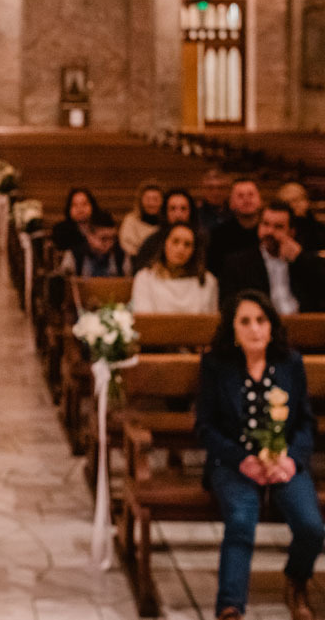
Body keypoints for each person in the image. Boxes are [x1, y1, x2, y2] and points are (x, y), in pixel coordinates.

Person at [195, 290, 323, 620]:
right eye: (245, 322)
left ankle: (296, 581)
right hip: (234, 462)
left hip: (283, 462)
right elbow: (205, 427)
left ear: (271, 325)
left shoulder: (290, 363)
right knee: (241, 519)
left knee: (311, 527)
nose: (255, 329)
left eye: (261, 320)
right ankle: (230, 606)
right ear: (233, 329)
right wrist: (242, 459)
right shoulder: (216, 365)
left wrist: (291, 460)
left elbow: (305, 423)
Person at [219, 202, 325, 314]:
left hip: (303, 321)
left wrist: (300, 259)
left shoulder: (305, 260)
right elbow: (228, 307)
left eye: (278, 227)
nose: (269, 231)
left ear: (291, 232)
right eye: (265, 224)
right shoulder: (238, 263)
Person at [130, 222, 217, 313]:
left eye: (187, 244)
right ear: (164, 244)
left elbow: (210, 319)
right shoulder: (145, 278)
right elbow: (144, 317)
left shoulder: (207, 280)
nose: (181, 249)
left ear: (194, 250)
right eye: (175, 241)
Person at [207, 178, 263, 275]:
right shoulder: (219, 235)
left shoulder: (270, 232)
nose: (246, 200)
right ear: (231, 203)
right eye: (240, 196)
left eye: (251, 194)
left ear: (260, 200)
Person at [134, 188, 199, 270]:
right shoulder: (151, 243)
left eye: (183, 209)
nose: (178, 214)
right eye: (172, 208)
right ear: (165, 212)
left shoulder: (201, 240)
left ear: (191, 212)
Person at [59, 209, 132, 277]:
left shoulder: (121, 256)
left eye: (113, 238)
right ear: (89, 236)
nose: (110, 243)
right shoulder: (74, 255)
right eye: (104, 239)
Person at [119, 182, 164, 257]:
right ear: (141, 201)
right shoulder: (131, 220)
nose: (151, 203)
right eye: (148, 199)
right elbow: (127, 245)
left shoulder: (166, 222)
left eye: (155, 199)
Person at [279, 181, 324, 253]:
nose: (293, 205)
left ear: (306, 201)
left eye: (296, 200)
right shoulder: (280, 231)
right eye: (287, 202)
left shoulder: (319, 230)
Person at [50, 187, 100, 252]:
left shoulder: (101, 228)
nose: (80, 209)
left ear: (92, 206)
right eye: (75, 205)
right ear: (69, 209)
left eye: (84, 204)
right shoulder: (61, 231)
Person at [198, 167, 233, 236]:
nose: (215, 193)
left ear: (228, 190)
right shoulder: (196, 216)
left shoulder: (236, 215)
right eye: (210, 188)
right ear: (203, 190)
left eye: (220, 188)